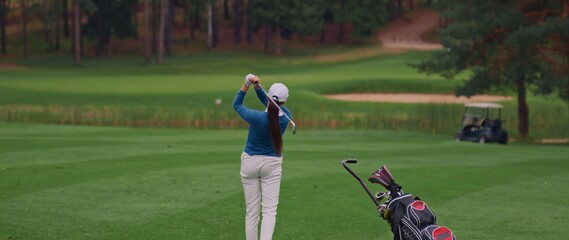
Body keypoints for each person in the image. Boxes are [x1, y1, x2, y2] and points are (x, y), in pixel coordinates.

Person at [232, 74, 291, 240]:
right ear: (284, 101)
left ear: (268, 97)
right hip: (272, 164)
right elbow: (271, 105)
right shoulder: (286, 117)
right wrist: (259, 88)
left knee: (252, 212)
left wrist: (247, 85)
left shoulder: (255, 117)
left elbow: (236, 105)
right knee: (269, 211)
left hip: (250, 162)